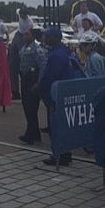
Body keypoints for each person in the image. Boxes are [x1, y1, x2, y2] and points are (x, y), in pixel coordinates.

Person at [38, 26, 74, 166]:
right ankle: (65, 154)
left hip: (56, 95)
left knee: (56, 126)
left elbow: (49, 77)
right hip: (66, 93)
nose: (45, 38)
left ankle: (58, 155)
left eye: (48, 36)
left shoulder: (56, 55)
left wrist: (40, 88)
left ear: (55, 38)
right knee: (64, 126)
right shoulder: (65, 51)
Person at [18, 29, 46, 145]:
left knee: (31, 108)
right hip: (24, 79)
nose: (25, 36)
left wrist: (38, 82)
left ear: (33, 36)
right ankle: (35, 134)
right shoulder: (23, 48)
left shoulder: (37, 49)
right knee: (26, 107)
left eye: (27, 34)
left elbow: (42, 66)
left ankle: (30, 135)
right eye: (24, 34)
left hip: (33, 79)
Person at [9, 8, 34, 100]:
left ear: (26, 15)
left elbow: (28, 32)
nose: (21, 17)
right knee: (12, 63)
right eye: (20, 15)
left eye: (23, 15)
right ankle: (14, 90)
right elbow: (17, 9)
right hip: (18, 35)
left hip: (24, 36)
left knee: (22, 59)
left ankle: (22, 89)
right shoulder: (19, 14)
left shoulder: (29, 23)